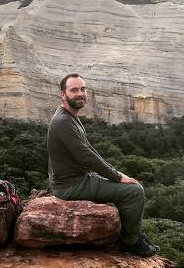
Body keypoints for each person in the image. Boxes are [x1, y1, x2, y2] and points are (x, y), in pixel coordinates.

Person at [47, 73, 159, 257]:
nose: (80, 93)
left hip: (77, 179)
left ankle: (135, 231)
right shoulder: (63, 122)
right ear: (63, 94)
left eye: (82, 89)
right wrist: (117, 177)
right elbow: (87, 158)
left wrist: (115, 173)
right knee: (135, 191)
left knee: (126, 186)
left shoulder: (69, 115)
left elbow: (89, 150)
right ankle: (130, 242)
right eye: (74, 90)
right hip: (71, 186)